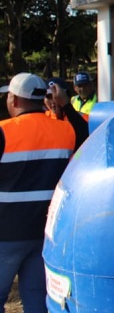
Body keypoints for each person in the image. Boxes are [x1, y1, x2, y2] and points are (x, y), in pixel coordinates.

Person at [0, 73, 76, 313]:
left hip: (6, 233)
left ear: (13, 99)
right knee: (37, 302)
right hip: (45, 233)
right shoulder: (65, 131)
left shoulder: (3, 132)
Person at [44, 77, 89, 149]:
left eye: (58, 96)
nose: (54, 100)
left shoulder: (83, 118)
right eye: (49, 97)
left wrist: (66, 105)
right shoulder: (42, 118)